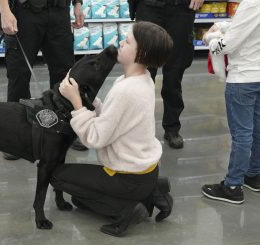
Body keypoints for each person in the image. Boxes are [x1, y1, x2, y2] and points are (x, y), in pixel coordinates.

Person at [50, 21, 174, 237]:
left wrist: (76, 103)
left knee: (56, 176)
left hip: (127, 176)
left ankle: (128, 209)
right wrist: (91, 100)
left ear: (141, 53)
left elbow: (95, 138)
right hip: (145, 169)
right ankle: (152, 191)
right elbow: (115, 118)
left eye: (127, 41)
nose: (120, 44)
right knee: (81, 200)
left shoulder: (126, 90)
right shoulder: (140, 79)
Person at [0, 0, 87, 160]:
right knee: (19, 74)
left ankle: (66, 126)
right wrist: (5, 11)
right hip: (24, 13)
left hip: (59, 11)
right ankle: (16, 135)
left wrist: (78, 4)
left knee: (65, 74)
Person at [201, 0, 260, 204]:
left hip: (243, 78)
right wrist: (224, 25)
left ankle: (233, 186)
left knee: (242, 135)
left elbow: (230, 44)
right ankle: (254, 175)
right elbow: (249, 26)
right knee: (257, 130)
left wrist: (209, 39)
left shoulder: (252, 3)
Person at [128, 0, 204, 149]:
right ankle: (139, 129)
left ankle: (172, 128)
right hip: (149, 6)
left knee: (174, 74)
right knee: (143, 72)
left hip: (181, 8)